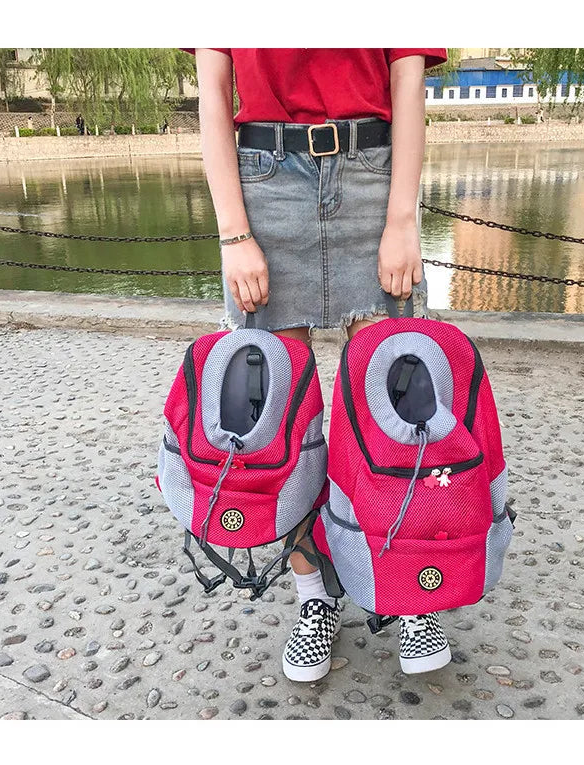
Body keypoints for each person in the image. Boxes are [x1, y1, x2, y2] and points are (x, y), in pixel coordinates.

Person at [190, 47, 449, 682]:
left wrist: (401, 218)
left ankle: (409, 581)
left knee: (398, 408)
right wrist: (233, 233)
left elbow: (406, 80)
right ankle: (317, 595)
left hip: (371, 177)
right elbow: (213, 94)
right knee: (279, 425)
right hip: (264, 184)